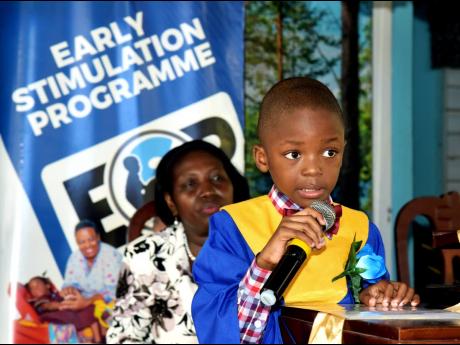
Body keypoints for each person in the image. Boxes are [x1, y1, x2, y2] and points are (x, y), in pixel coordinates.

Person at [191, 77, 420, 344]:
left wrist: (382, 299)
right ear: (262, 158)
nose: (314, 169)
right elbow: (227, 335)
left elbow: (370, 321)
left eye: (329, 152)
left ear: (343, 154)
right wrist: (264, 264)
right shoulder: (234, 227)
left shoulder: (361, 228)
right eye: (294, 154)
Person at [106, 140, 250, 344]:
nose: (208, 191)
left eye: (217, 178)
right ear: (171, 202)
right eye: (190, 184)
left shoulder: (263, 243)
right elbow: (123, 337)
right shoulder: (144, 255)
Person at [61, 219, 123, 333]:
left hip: (114, 303)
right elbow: (69, 283)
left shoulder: (111, 255)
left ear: (98, 237)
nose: (87, 245)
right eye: (81, 242)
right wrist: (69, 289)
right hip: (85, 303)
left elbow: (115, 293)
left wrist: (87, 302)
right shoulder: (74, 257)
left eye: (91, 239)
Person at [26, 276, 102, 343]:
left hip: (66, 313)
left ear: (47, 285)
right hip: (56, 319)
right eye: (32, 288)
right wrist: (60, 305)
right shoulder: (38, 302)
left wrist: (69, 297)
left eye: (37, 284)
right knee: (85, 311)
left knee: (90, 308)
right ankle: (98, 339)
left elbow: (65, 297)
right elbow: (47, 306)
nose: (35, 288)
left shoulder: (55, 295)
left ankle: (98, 339)